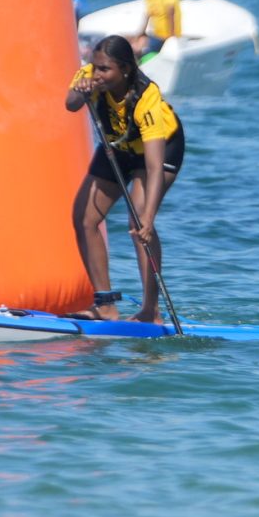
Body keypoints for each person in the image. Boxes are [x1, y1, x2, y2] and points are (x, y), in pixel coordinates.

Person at [65, 33, 185, 322]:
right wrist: (81, 91)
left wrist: (149, 217)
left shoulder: (147, 99)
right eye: (95, 67)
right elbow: (70, 104)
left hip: (159, 150)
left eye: (105, 69)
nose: (97, 74)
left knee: (138, 221)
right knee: (84, 218)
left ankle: (150, 311)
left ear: (125, 70)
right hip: (119, 145)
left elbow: (155, 167)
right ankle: (105, 305)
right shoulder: (89, 75)